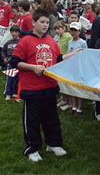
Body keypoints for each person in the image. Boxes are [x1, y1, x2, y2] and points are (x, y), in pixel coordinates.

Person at [9, 9, 82, 162]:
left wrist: (73, 54)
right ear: (34, 23)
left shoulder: (50, 40)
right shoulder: (25, 41)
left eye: (47, 22)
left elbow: (58, 58)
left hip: (49, 87)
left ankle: (53, 143)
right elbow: (15, 62)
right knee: (32, 120)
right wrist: (33, 67)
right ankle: (33, 147)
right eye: (42, 22)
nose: (45, 24)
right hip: (32, 89)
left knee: (51, 118)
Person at [67, 21, 87, 116]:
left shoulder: (82, 43)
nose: (73, 32)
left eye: (75, 30)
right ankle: (73, 106)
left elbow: (85, 55)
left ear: (79, 32)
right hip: (71, 67)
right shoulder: (70, 42)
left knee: (79, 89)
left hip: (79, 67)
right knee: (71, 88)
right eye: (72, 30)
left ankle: (79, 108)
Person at [2, 25, 21, 100]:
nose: (14, 33)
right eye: (12, 32)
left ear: (18, 33)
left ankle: (15, 92)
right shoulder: (8, 42)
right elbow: (3, 50)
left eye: (16, 32)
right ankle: (8, 93)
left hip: (19, 63)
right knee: (10, 78)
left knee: (18, 78)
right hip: (10, 63)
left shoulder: (21, 42)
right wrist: (4, 58)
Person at [0, 0, 13, 70]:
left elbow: (11, 18)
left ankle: (7, 63)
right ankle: (1, 63)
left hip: (6, 30)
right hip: (0, 30)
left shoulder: (9, 7)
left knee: (6, 47)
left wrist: (8, 27)